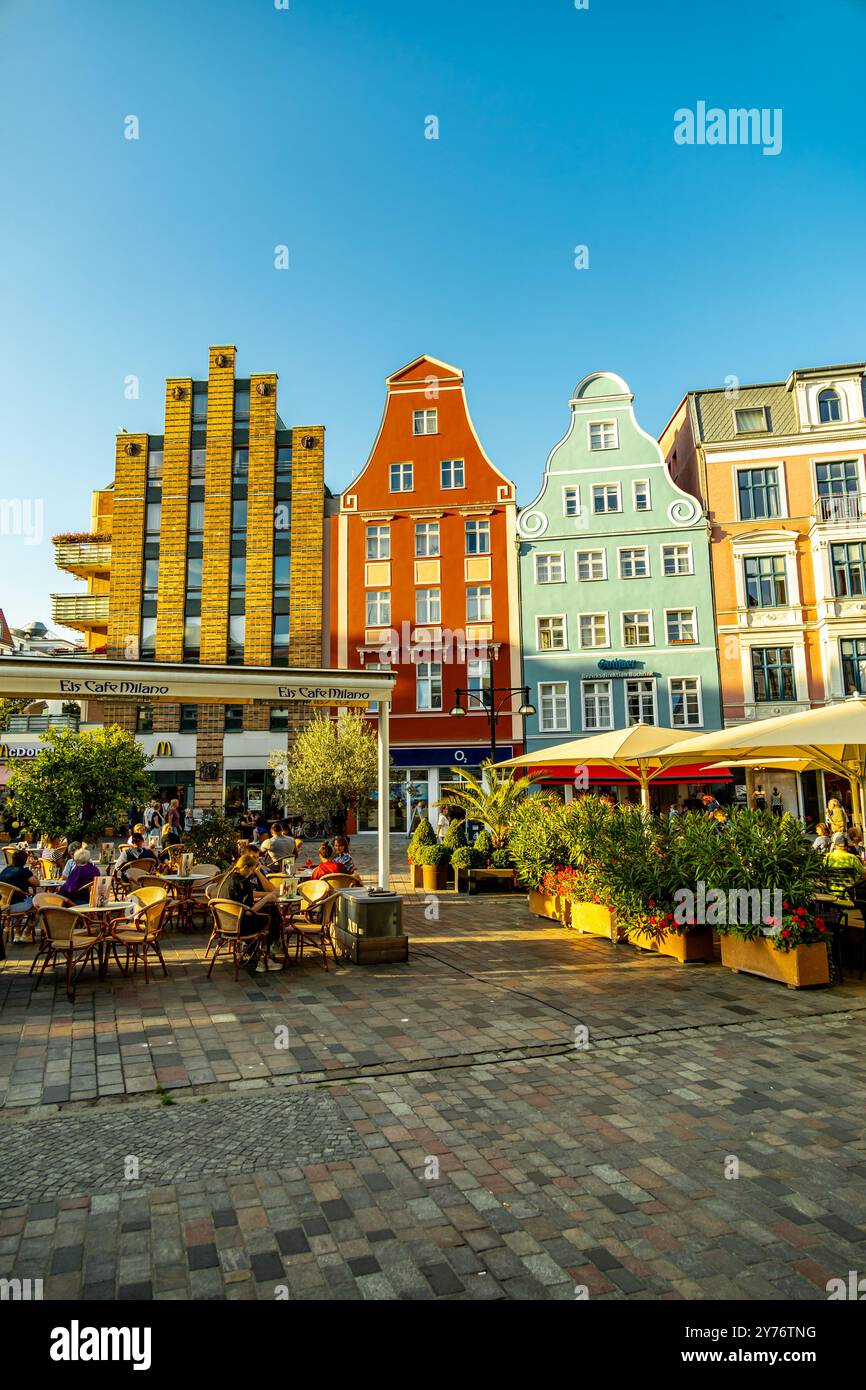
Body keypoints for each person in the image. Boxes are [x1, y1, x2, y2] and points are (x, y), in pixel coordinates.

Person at [220, 851, 282, 971]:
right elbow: (249, 911)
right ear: (245, 868)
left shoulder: (227, 878)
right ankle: (265, 957)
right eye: (252, 870)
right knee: (270, 917)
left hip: (224, 923)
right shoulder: (243, 882)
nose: (252, 873)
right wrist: (266, 898)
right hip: (241, 926)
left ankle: (255, 951)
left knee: (268, 911)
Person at [0, 849, 39, 940]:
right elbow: (36, 883)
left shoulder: (5, 870)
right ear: (25, 861)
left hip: (3, 905)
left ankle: (17, 934)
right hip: (16, 906)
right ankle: (27, 933)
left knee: (18, 899)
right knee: (38, 905)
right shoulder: (24, 871)